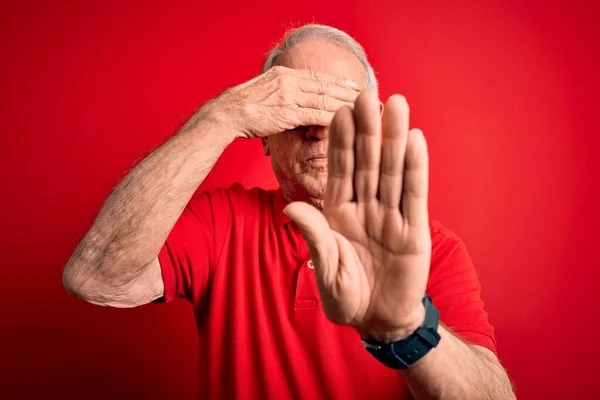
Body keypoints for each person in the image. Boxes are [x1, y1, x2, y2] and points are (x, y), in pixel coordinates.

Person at [62, 24, 515, 399]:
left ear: (372, 123)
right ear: (263, 133)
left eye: (336, 107)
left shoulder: (435, 251)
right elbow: (95, 277)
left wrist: (407, 329)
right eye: (295, 108)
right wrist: (221, 116)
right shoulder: (224, 223)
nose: (317, 130)